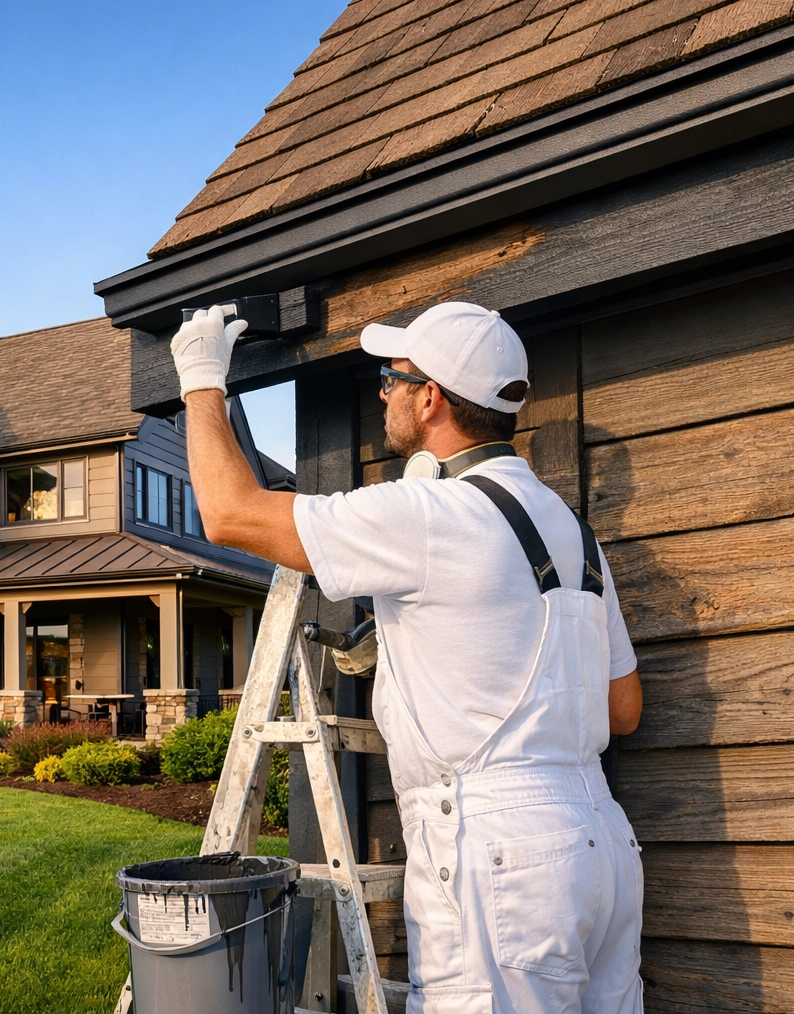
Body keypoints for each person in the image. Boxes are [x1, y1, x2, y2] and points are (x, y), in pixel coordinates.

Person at [172, 301, 644, 1014]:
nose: (383, 393)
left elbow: (229, 512)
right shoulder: (574, 534)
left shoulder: (427, 514)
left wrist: (202, 380)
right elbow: (622, 708)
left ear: (431, 399)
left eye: (391, 379)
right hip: (600, 845)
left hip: (497, 859)